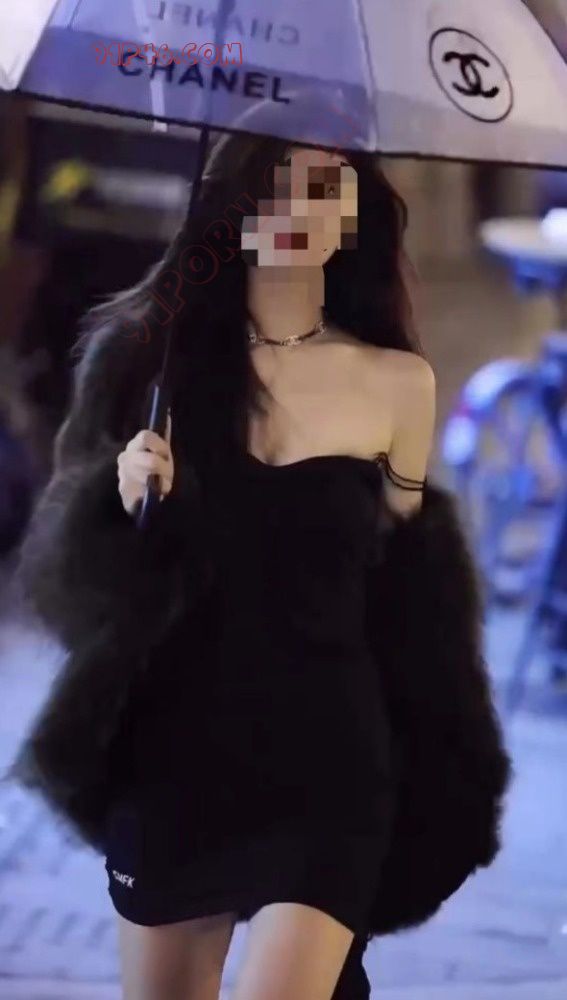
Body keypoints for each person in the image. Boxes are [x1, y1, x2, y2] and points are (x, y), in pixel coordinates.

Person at [5, 127, 513, 1000]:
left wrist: (438, 761)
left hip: (328, 754)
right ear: (231, 208)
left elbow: (410, 594)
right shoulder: (149, 360)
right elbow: (74, 591)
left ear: (353, 209)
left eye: (322, 187)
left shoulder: (397, 383)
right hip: (174, 748)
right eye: (272, 186)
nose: (296, 210)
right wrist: (115, 502)